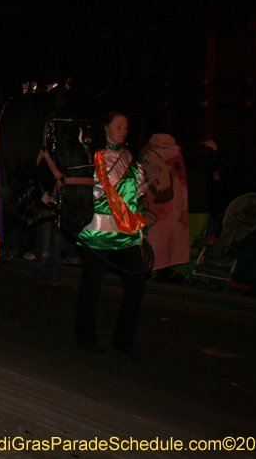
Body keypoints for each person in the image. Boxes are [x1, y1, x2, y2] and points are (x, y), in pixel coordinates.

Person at [75, 111, 148, 358]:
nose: (123, 131)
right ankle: (85, 337)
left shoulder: (129, 158)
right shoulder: (91, 156)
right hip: (97, 232)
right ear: (105, 127)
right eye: (119, 126)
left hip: (126, 233)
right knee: (92, 286)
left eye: (126, 127)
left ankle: (124, 340)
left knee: (137, 284)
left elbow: (138, 197)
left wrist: (142, 231)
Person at [139, 133, 189, 278]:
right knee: (168, 241)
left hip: (153, 207)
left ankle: (151, 267)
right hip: (175, 208)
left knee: (153, 239)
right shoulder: (176, 153)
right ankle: (164, 269)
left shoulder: (147, 153)